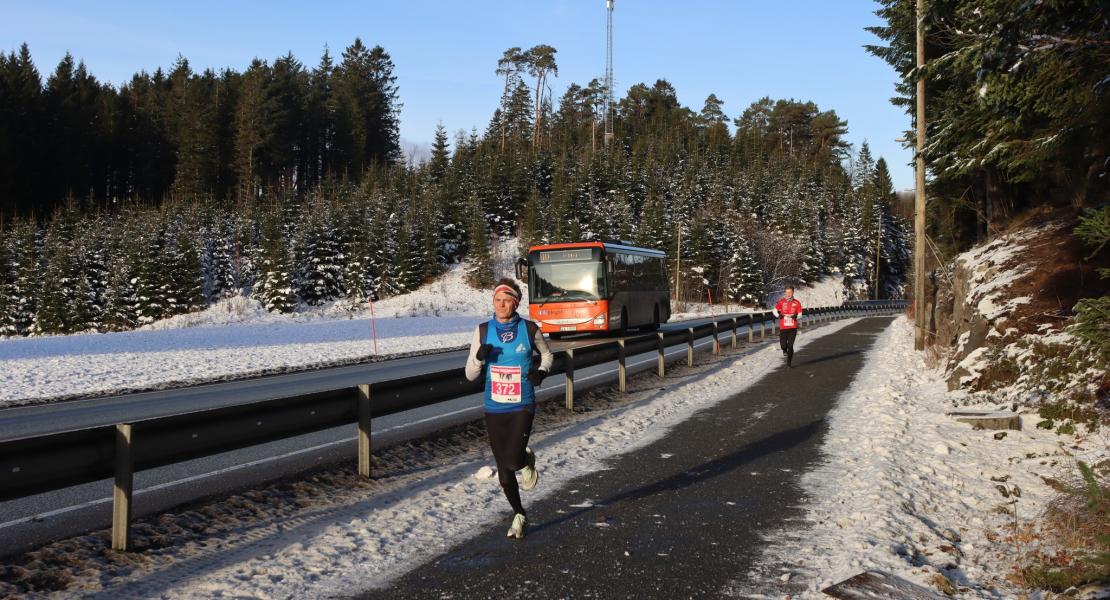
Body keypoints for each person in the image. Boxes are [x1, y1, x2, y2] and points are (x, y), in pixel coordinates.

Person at [465, 277, 553, 539]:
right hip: (494, 407)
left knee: (513, 461)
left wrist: (541, 371)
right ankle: (519, 514)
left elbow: (547, 354)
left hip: (522, 404)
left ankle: (526, 460)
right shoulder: (482, 331)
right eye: (497, 300)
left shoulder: (529, 329)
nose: (501, 305)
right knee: (504, 475)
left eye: (506, 300)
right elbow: (469, 375)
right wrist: (480, 360)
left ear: (515, 303)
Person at [773, 286, 803, 367]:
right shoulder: (781, 302)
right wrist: (779, 316)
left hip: (793, 328)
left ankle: (789, 362)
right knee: (783, 345)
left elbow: (800, 314)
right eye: (786, 292)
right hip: (783, 327)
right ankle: (784, 350)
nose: (788, 294)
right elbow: (774, 310)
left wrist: (795, 317)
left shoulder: (797, 303)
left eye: (790, 292)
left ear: (793, 292)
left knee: (790, 345)